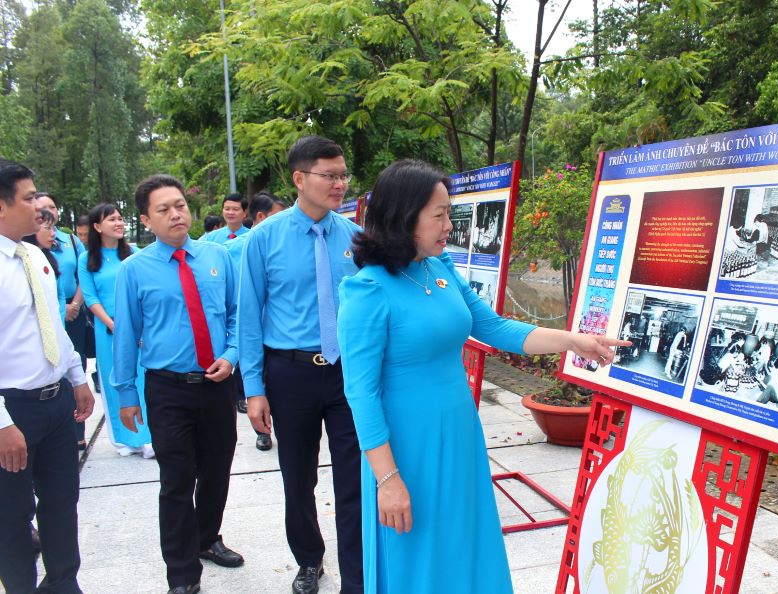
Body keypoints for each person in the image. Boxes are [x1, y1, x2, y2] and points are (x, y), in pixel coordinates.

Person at [337, 159, 628, 594]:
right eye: (438, 215)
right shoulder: (367, 290)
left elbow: (493, 328)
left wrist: (573, 340)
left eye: (447, 214)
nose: (448, 226)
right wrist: (387, 479)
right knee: (418, 552)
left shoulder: (439, 270)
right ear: (403, 217)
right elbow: (361, 393)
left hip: (458, 434)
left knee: (462, 543)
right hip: (407, 449)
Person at [238, 135, 362, 594]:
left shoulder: (354, 237)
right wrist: (254, 388)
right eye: (329, 175)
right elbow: (249, 316)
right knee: (298, 476)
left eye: (343, 175)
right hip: (289, 373)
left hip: (346, 372)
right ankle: (309, 560)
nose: (339, 184)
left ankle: (357, 573)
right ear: (299, 178)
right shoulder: (263, 239)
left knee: (354, 476)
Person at [113, 174, 243, 594]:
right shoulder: (134, 270)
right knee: (176, 481)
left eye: (180, 205)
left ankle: (207, 539)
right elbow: (127, 334)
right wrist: (126, 394)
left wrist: (232, 355)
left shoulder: (217, 256)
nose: (176, 214)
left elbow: (238, 315)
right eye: (164, 209)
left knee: (217, 473)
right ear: (146, 220)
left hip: (217, 383)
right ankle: (182, 575)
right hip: (167, 389)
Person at [0, 159, 95, 594]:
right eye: (27, 197)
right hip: (12, 410)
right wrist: (2, 423)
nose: (39, 207)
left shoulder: (35, 254)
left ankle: (62, 584)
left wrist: (76, 376)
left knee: (61, 505)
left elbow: (51, 323)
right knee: (12, 515)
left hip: (56, 403)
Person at [78, 203, 154, 458]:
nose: (119, 223)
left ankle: (148, 437)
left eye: (120, 218)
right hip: (107, 329)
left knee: (142, 379)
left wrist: (136, 327)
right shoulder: (87, 258)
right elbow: (90, 298)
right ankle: (125, 438)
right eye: (112, 219)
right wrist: (115, 326)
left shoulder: (134, 253)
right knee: (115, 380)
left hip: (138, 327)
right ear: (98, 227)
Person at [225, 191, 286, 452]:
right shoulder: (231, 249)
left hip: (275, 330)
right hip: (248, 327)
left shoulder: (283, 244)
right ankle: (261, 432)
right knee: (254, 381)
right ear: (261, 217)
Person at [36, 192, 89, 450]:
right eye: (42, 208)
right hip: (55, 314)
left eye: (52, 207)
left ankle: (76, 430)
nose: (50, 211)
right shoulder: (31, 254)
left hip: (73, 309)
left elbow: (82, 273)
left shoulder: (69, 240)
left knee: (74, 362)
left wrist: (75, 305)